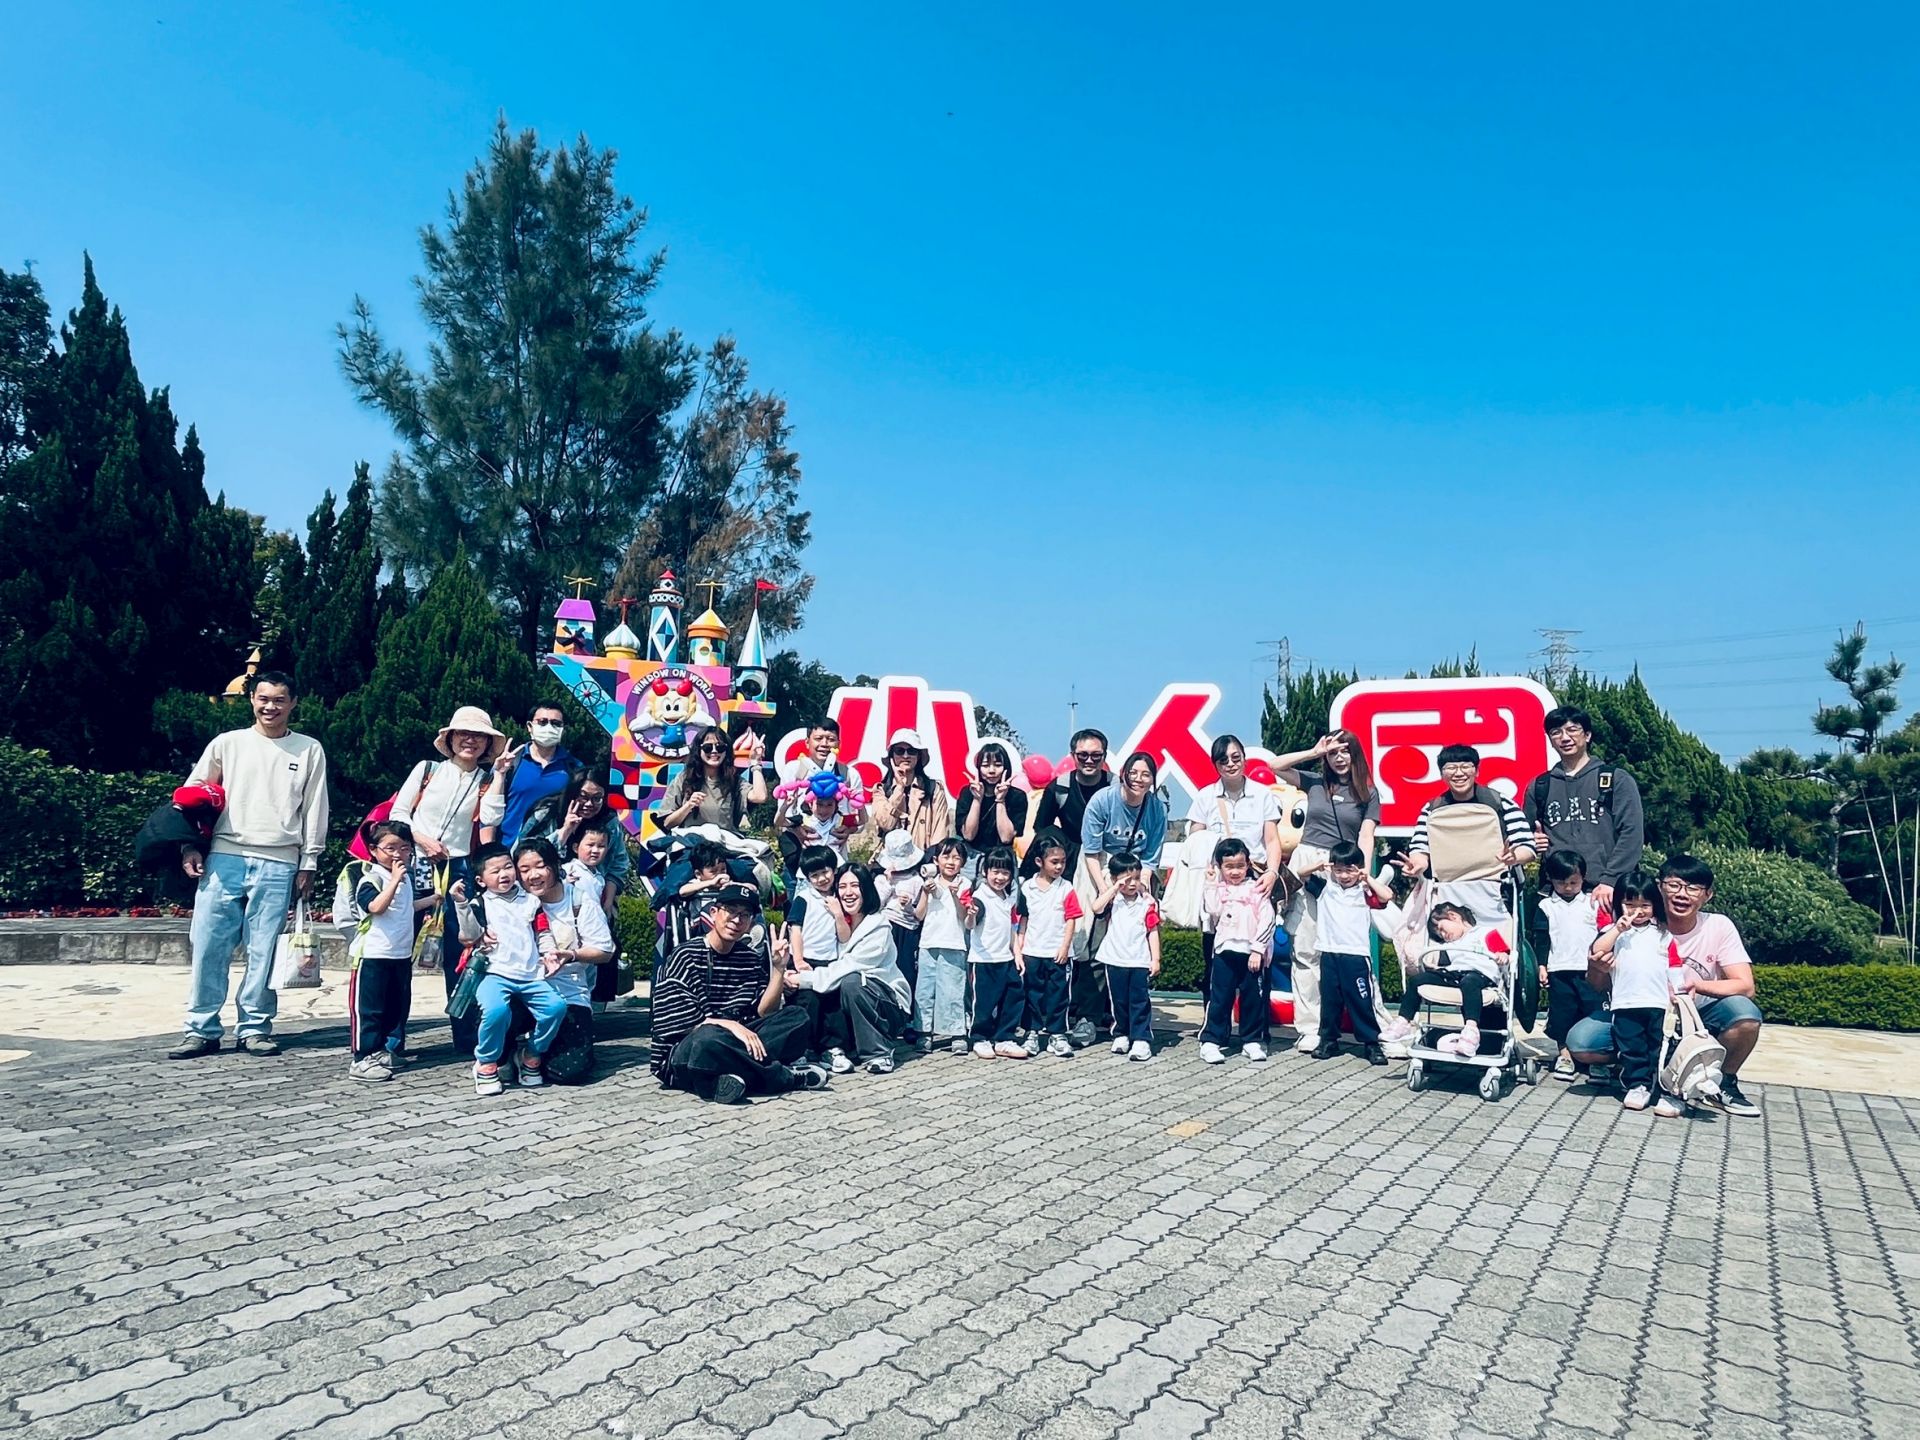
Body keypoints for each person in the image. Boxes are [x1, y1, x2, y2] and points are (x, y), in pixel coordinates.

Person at [168, 670, 330, 1060]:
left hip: (279, 860)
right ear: (252, 699)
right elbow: (191, 796)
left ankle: (254, 1027)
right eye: (263, 699)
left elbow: (315, 807)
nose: (270, 707)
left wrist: (309, 860)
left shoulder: (308, 749)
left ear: (293, 703)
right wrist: (190, 846)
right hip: (224, 856)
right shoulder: (228, 743)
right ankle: (201, 1029)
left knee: (264, 951)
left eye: (279, 700)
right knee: (208, 946)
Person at [1567, 853, 1764, 1117]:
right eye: (1674, 885)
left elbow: (1745, 986)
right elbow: (1596, 983)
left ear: (1707, 895)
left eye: (1693, 888)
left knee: (1745, 1014)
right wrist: (1598, 967)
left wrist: (1694, 986)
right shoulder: (1633, 925)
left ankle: (1722, 1082)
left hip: (1695, 1013)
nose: (1682, 894)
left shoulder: (1717, 925)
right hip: (1637, 1006)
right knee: (1582, 1042)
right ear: (1659, 887)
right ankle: (1637, 1072)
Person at [391, 705, 509, 1056]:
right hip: (415, 864)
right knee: (399, 949)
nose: (470, 741)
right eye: (464, 734)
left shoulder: (486, 779)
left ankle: (467, 1037)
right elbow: (399, 813)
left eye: (478, 736)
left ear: (487, 744)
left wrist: (500, 775)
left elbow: (491, 818)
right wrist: (423, 840)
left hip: (458, 868)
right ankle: (392, 1038)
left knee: (463, 953)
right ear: (451, 738)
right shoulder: (427, 770)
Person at [651, 882, 828, 1103]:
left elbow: (764, 1012)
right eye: (731, 911)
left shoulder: (749, 958)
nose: (737, 920)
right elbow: (675, 1023)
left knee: (797, 1017)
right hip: (690, 1047)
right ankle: (782, 1077)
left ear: (751, 923)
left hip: (736, 1040)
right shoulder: (684, 955)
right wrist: (731, 1026)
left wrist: (778, 969)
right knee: (707, 1039)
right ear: (714, 913)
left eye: (744, 915)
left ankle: (725, 1080)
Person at [1270, 729, 1381, 1053]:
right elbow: (1275, 765)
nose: (1339, 758)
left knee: (1352, 950)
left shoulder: (1368, 792)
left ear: (1355, 754)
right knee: (1306, 948)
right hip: (1308, 864)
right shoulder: (1314, 782)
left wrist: (1363, 873)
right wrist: (1313, 751)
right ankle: (1311, 1028)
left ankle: (1371, 1027)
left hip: (1343, 869)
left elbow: (1366, 836)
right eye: (1333, 752)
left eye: (1345, 751)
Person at [453, 843, 565, 1097]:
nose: (504, 874)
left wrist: (549, 953)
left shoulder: (531, 901)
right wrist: (461, 903)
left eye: (507, 867)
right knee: (496, 1011)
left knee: (555, 1008)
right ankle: (486, 1064)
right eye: (495, 871)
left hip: (531, 975)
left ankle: (531, 1056)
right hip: (494, 973)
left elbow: (542, 931)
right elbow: (468, 935)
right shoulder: (480, 903)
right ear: (481, 880)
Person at [786, 863, 914, 1075]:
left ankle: (878, 1053)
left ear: (867, 889)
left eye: (855, 886)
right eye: (842, 887)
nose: (848, 893)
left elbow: (848, 967)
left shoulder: (878, 926)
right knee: (820, 992)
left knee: (851, 981)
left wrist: (803, 979)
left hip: (888, 1006)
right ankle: (824, 1050)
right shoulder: (834, 924)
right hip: (853, 1004)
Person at [1524, 706, 1645, 912]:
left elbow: (1631, 834)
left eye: (1572, 730)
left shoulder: (1615, 779)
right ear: (1550, 740)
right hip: (1557, 894)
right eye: (1556, 732)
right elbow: (1523, 836)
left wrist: (1610, 880)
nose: (1565, 738)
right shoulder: (1540, 785)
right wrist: (1531, 842)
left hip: (1607, 892)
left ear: (1587, 735)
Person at [516, 837, 615, 1085]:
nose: (533, 876)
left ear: (555, 865)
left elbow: (605, 951)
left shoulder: (579, 901)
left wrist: (572, 955)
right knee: (490, 1010)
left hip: (568, 992)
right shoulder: (513, 901)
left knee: (569, 1071)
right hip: (524, 990)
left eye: (540, 866)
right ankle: (510, 1052)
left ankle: (535, 1053)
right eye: (524, 870)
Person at [1583, 872, 1682, 1117]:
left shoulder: (1663, 934)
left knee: (1659, 1048)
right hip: (1625, 1003)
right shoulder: (1613, 932)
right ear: (1619, 904)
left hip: (1659, 1003)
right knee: (1631, 1047)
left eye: (1645, 905)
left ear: (1655, 905)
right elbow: (1597, 950)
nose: (1638, 911)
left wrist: (1679, 994)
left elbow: (1674, 965)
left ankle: (1664, 1088)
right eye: (1630, 904)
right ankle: (1637, 1085)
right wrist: (1618, 929)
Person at [1399, 744, 1537, 920]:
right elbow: (1420, 848)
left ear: (1477, 771)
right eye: (1451, 767)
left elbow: (1527, 845)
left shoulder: (1500, 803)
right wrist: (1417, 864)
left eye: (1465, 766)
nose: (1459, 773)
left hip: (1497, 892)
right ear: (1441, 774)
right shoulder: (1432, 809)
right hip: (1447, 894)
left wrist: (1514, 857)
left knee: (1498, 938)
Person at [346, 821, 438, 1082]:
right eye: (391, 848)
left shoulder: (405, 879)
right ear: (373, 850)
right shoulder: (372, 877)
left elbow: (406, 907)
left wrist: (433, 900)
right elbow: (376, 907)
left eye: (405, 848)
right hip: (373, 955)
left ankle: (382, 1051)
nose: (398, 854)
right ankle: (362, 1058)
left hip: (400, 955)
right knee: (370, 1010)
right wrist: (395, 880)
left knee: (395, 1006)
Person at [1293, 841, 1391, 1065]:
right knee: (1330, 1000)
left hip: (1356, 955)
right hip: (1329, 952)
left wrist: (1367, 878)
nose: (1344, 875)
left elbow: (1386, 896)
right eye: (1338, 870)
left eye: (1349, 870)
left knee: (1361, 1000)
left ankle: (1371, 1042)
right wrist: (1319, 865)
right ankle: (1328, 1040)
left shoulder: (1365, 892)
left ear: (1359, 869)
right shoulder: (1325, 889)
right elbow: (1301, 873)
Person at [1381, 902, 1512, 1057]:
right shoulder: (1450, 945)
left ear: (1453, 916)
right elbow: (1444, 966)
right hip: (1455, 975)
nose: (1443, 935)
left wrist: (1502, 955)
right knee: (1418, 980)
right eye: (1439, 934)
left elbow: (1503, 951)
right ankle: (1403, 1021)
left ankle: (1471, 1029)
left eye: (1442, 929)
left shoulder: (1486, 932)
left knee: (1469, 982)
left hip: (1480, 974)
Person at [1529, 849, 1609, 1080]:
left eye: (1573, 882)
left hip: (1590, 971)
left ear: (1583, 877)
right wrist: (1542, 966)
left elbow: (1605, 933)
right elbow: (1542, 939)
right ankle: (1564, 1055)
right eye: (1561, 882)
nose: (1567, 887)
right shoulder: (1546, 906)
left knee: (1594, 1012)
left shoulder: (1593, 903)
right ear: (1550, 879)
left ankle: (1596, 1059)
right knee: (1562, 1013)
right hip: (1559, 969)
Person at [1198, 838, 1276, 1065]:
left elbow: (1268, 919)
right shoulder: (1219, 888)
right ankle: (1211, 1041)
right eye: (1229, 866)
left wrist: (1258, 950)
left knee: (1253, 998)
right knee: (1220, 998)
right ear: (1220, 866)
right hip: (1225, 950)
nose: (1235, 872)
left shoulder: (1257, 888)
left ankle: (1252, 1040)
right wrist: (1210, 883)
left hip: (1251, 953)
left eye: (1240, 866)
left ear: (1248, 864)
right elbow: (1212, 910)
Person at [482, 701, 583, 848]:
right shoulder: (510, 763)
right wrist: (490, 850)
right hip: (507, 851)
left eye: (556, 723)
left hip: (551, 852)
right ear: (529, 726)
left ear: (563, 729)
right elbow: (490, 811)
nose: (549, 727)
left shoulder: (574, 768)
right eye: (542, 722)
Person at [1017, 835, 1084, 1058]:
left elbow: (1071, 918)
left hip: (1058, 952)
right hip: (1032, 951)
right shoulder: (1027, 887)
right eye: (1054, 862)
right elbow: (1023, 919)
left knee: (1059, 995)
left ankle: (1057, 1034)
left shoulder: (1066, 888)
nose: (1059, 866)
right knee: (1032, 994)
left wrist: (1065, 947)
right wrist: (1020, 946)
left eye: (1062, 862)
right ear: (1039, 861)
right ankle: (1032, 1033)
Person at [1092, 853, 1161, 1061]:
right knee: (1119, 1000)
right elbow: (1096, 908)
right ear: (1115, 878)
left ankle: (1141, 1038)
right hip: (1115, 958)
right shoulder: (1114, 900)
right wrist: (1114, 888)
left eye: (1136, 878)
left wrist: (1155, 959)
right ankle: (1121, 1033)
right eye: (1126, 879)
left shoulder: (1147, 903)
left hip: (1139, 959)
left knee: (1139, 1000)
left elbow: (1153, 930)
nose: (1132, 884)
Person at [967, 848, 1026, 1059]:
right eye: (995, 872)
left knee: (1013, 997)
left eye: (1005, 873)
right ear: (986, 872)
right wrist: (971, 915)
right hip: (983, 960)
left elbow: (1012, 928)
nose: (1000, 877)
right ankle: (980, 1038)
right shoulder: (979, 896)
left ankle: (1004, 1038)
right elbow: (970, 923)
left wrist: (1017, 954)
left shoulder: (1008, 898)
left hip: (1006, 958)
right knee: (983, 1002)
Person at [915, 838, 973, 1054]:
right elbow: (919, 915)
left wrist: (955, 895)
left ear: (963, 862)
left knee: (953, 990)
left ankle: (957, 1033)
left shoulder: (965, 883)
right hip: (928, 943)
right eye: (946, 857)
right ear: (936, 860)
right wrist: (925, 892)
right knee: (925, 990)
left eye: (957, 858)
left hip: (954, 942)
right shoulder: (929, 882)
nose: (951, 862)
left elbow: (963, 916)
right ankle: (924, 1032)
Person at [661, 728, 770, 832]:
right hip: (691, 841)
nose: (714, 751)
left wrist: (756, 763)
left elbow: (760, 797)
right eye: (707, 747)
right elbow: (667, 823)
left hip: (724, 841)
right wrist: (688, 806)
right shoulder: (684, 779)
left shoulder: (734, 781)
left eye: (720, 747)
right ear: (699, 750)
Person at [868, 728, 952, 854]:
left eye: (911, 751)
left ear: (918, 756)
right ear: (891, 756)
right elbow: (886, 824)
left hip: (924, 858)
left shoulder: (934, 789)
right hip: (891, 860)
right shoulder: (881, 790)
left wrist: (930, 859)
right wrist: (899, 789)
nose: (906, 756)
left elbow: (940, 832)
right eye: (899, 751)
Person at [874, 830, 927, 1025]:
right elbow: (875, 905)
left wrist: (909, 906)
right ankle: (883, 1015)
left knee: (906, 970)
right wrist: (888, 884)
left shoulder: (917, 880)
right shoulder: (881, 879)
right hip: (886, 926)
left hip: (907, 930)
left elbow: (919, 913)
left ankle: (907, 1017)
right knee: (883, 970)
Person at [955, 742, 1028, 875]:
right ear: (978, 768)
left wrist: (1000, 799)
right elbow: (968, 835)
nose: (992, 770)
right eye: (985, 765)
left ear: (1006, 767)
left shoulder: (1017, 796)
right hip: (972, 859)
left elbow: (1006, 838)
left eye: (998, 765)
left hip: (1002, 860)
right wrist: (977, 799)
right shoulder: (967, 793)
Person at [784, 846, 843, 973]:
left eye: (825, 872)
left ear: (834, 870)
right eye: (814, 875)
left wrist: (838, 913)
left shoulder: (839, 897)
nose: (821, 879)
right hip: (804, 957)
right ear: (807, 878)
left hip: (829, 959)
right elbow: (795, 931)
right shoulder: (804, 898)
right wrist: (798, 960)